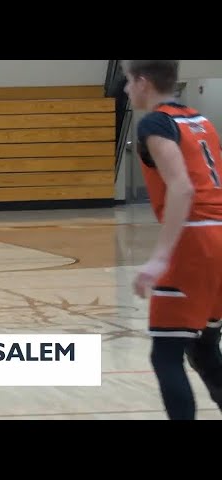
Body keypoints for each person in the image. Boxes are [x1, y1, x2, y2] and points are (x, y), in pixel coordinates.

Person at [125, 60, 222, 420]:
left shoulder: (155, 122)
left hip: (194, 241)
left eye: (128, 82)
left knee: (164, 354)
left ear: (143, 82)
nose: (126, 90)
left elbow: (182, 186)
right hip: (219, 235)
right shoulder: (200, 121)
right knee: (203, 349)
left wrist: (160, 257)